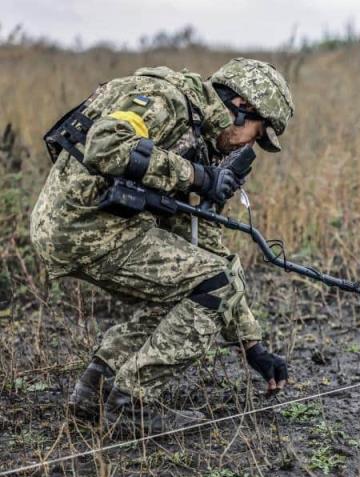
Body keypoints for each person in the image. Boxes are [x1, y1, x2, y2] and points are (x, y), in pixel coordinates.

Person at [29, 57, 293, 433]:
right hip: (85, 226)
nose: (251, 144)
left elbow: (211, 253)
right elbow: (105, 144)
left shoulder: (196, 133)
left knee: (195, 285)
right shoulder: (164, 99)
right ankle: (130, 404)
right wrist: (198, 176)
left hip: (95, 227)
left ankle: (94, 389)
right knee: (210, 288)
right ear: (241, 107)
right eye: (258, 132)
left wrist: (253, 346)